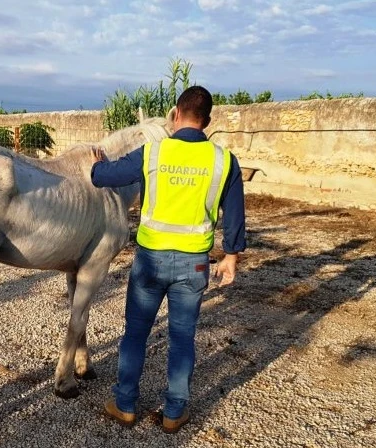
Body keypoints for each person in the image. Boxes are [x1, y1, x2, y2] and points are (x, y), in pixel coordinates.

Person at [90, 85, 246, 434]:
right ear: (207, 120)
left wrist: (99, 165)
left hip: (150, 262)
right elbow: (235, 216)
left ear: (175, 114)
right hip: (194, 264)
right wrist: (231, 257)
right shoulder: (223, 160)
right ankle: (175, 412)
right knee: (182, 337)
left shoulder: (153, 153)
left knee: (136, 334)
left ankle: (125, 404)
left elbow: (103, 177)